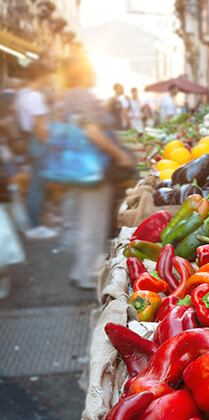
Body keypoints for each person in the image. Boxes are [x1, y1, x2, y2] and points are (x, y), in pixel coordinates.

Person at [60, 55, 136, 289]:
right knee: (92, 222)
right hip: (93, 168)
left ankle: (79, 271)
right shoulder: (84, 98)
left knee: (83, 219)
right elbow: (93, 133)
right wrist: (118, 153)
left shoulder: (67, 98)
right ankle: (87, 277)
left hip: (75, 167)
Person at [13, 61, 58, 238]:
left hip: (28, 141)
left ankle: (35, 221)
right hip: (37, 142)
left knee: (35, 184)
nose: (49, 79)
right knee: (38, 186)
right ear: (41, 75)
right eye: (48, 75)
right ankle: (34, 225)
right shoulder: (35, 97)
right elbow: (41, 127)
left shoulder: (23, 95)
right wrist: (50, 145)